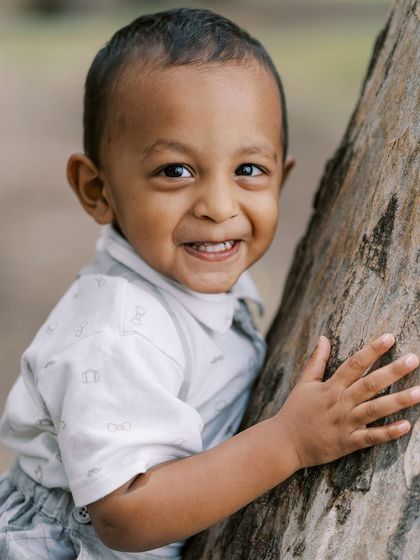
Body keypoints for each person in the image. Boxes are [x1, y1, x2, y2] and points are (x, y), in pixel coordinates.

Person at [0, 8, 418, 560]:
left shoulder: (204, 283)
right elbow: (126, 516)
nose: (220, 207)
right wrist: (290, 442)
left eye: (248, 170)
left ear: (281, 180)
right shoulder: (117, 333)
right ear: (97, 190)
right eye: (176, 171)